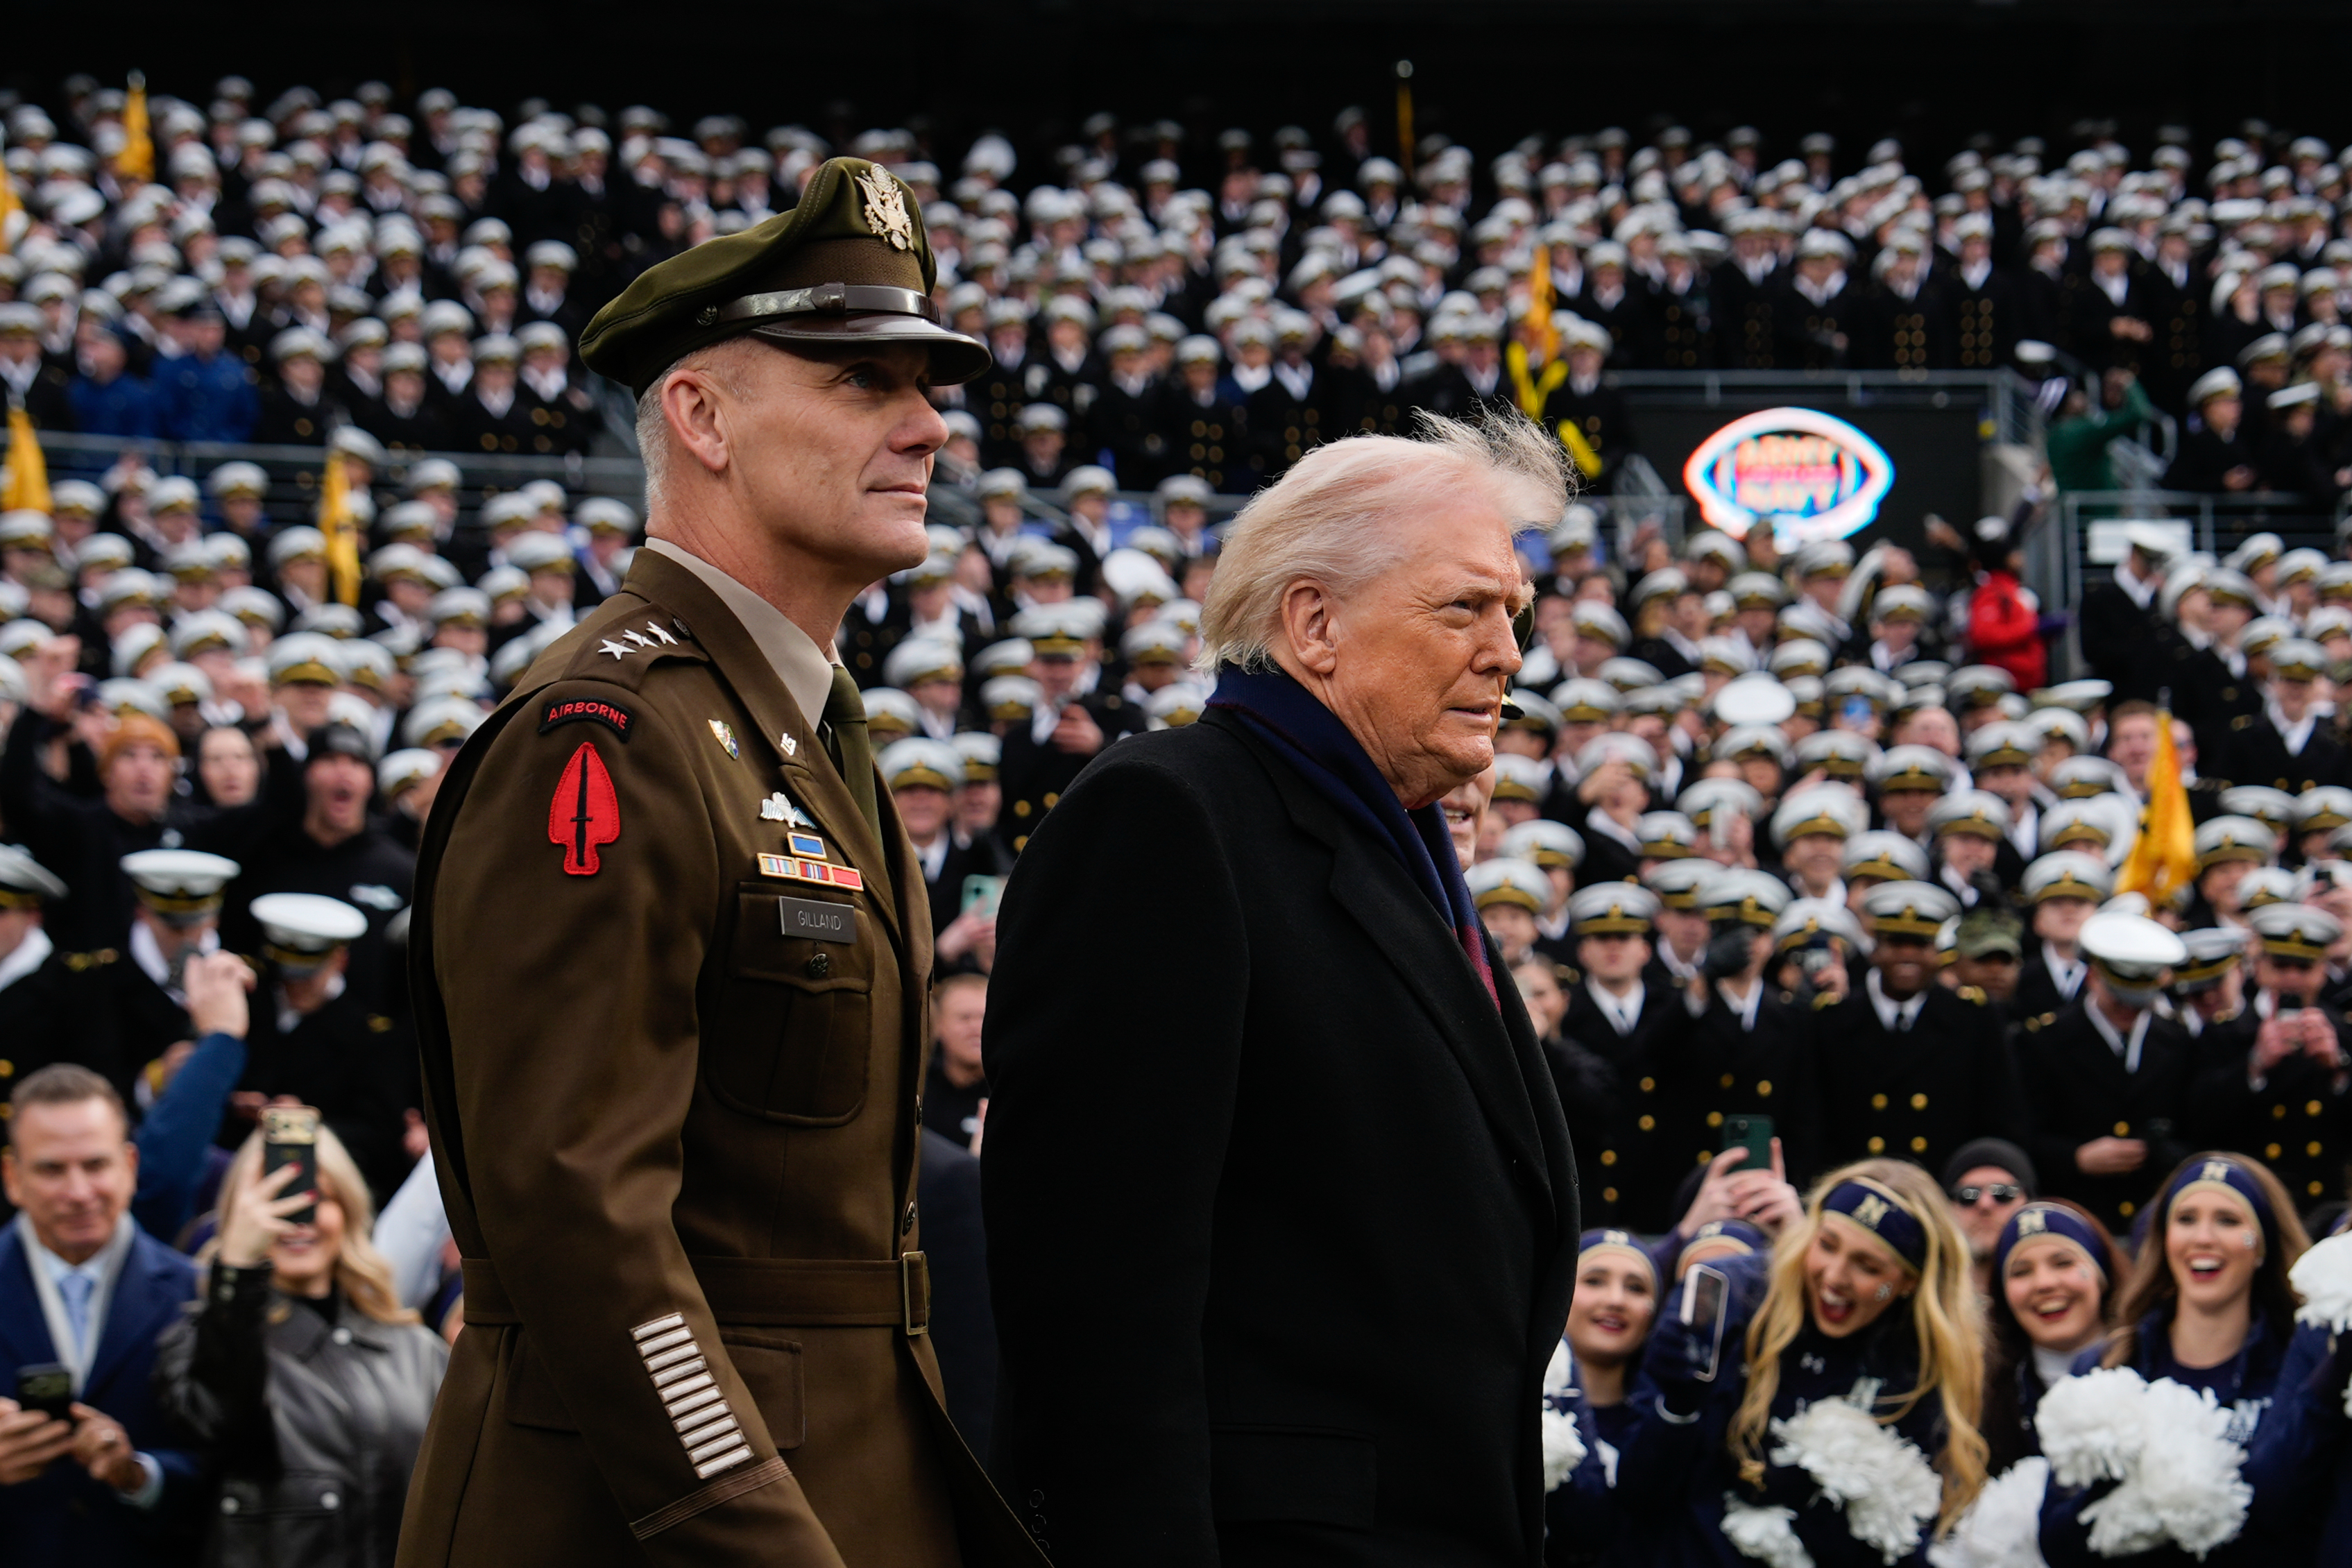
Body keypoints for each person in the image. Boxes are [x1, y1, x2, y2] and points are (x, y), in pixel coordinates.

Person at [400, 158, 1039, 1567]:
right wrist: (750, 1532)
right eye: (863, 380)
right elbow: (579, 1214)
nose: (931, 424)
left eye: (926, 387)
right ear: (702, 414)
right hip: (660, 1518)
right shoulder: (613, 730)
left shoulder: (807, 727)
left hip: (840, 1485)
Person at [984, 409, 1580, 1565]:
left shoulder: (1394, 843)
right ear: (1315, 624)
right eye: (1465, 607)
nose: (1508, 652)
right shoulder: (1169, 819)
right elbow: (1096, 1306)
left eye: (1516, 612)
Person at [1621, 1160, 1987, 1566]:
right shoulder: (1734, 1298)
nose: (1835, 1276)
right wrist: (1677, 1409)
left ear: (1908, 1282)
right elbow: (1638, 1495)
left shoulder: (1919, 1364)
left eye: (1868, 1266)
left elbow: (1907, 1540)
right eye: (1827, 1245)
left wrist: (1830, 1507)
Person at [154, 1120, 448, 1567]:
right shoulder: (201, 1343)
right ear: (238, 1217)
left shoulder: (416, 1350)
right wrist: (237, 1272)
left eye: (317, 1197)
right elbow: (222, 1422)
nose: (298, 1218)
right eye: (276, 1200)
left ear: (347, 1210)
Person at [2042, 1153, 2319, 1566]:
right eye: (2186, 1219)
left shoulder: (2296, 1370)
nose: (2202, 1238)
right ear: (2164, 1238)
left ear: (2260, 1244)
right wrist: (2119, 1487)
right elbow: (2055, 1543)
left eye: (2228, 1220)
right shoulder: (2106, 1368)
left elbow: (2302, 1528)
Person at [0, 1063, 211, 1567]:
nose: (78, 1192)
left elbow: (231, 1460)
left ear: (130, 1165)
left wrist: (138, 1474)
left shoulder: (193, 1294)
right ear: (13, 1176)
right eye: (52, 1169)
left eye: (95, 1165)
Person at [1812, 880, 2025, 1176]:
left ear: (1937, 953)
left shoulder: (1973, 1019)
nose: (1908, 955)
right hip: (1859, 1186)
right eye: (1896, 943)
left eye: (1921, 944)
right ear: (1874, 950)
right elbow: (1813, 1126)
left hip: (1939, 1190)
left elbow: (1999, 1118)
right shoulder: (1832, 1020)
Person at [2019, 908, 2195, 1236]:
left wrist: (2161, 1150)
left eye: (2139, 1000)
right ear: (2094, 978)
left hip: (2153, 1213)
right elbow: (2024, 1130)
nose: (2129, 1009)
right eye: (2120, 998)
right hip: (2077, 1213)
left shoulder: (2176, 1040)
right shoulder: (2045, 1040)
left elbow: (2193, 1126)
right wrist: (2075, 1158)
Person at [1542, 1230, 1661, 1567]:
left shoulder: (1664, 1424)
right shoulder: (1510, 1408)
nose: (1616, 1300)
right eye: (1594, 1281)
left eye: (1636, 1288)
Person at [1979, 1200, 2123, 1476]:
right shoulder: (1985, 1401)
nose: (2044, 1283)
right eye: (2021, 1272)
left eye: (2063, 1263)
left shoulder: (2153, 1364)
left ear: (2101, 1274)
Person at [1941, 1136, 2037, 1298]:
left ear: (2029, 1204)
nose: (1985, 1205)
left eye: (2003, 1193)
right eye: (1968, 1195)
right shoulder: (1926, 1296)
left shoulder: (2046, 1290)